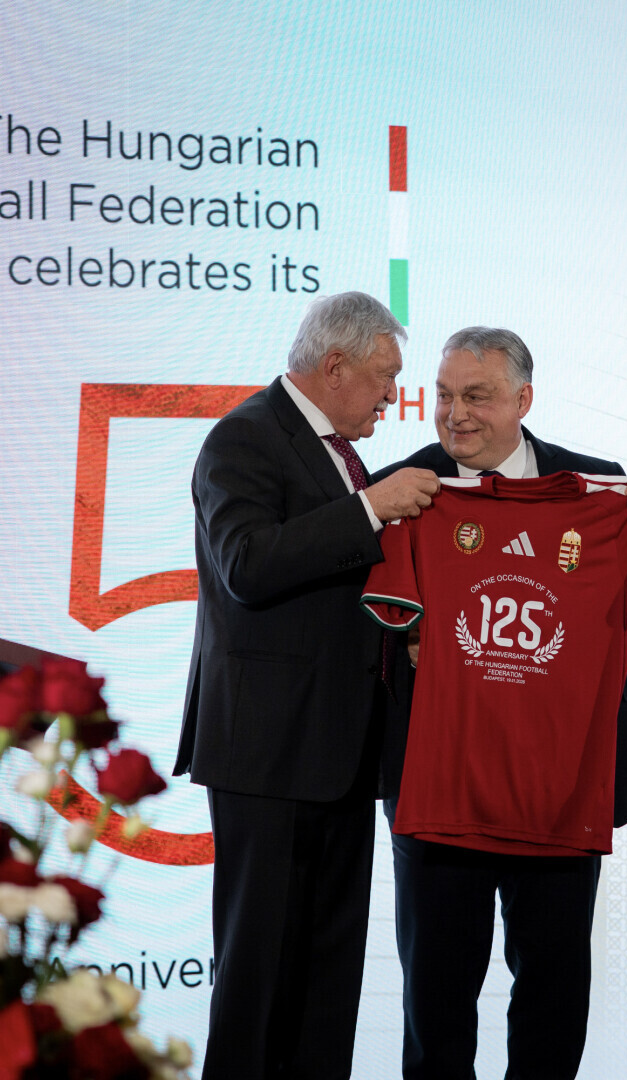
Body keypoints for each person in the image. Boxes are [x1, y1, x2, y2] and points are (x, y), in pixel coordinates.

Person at [370, 326, 627, 1079]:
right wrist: (405, 637)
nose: (455, 414)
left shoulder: (602, 491)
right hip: (439, 786)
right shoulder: (404, 491)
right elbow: (350, 615)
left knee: (553, 995)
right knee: (435, 998)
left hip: (562, 788)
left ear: (523, 399)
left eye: (476, 396)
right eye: (444, 396)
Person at [173, 291, 441, 1079]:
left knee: (327, 984)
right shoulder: (245, 437)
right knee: (259, 978)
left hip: (340, 753)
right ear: (334, 365)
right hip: (268, 753)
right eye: (385, 376)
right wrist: (369, 509)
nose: (392, 396)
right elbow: (247, 564)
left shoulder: (337, 452)